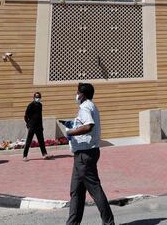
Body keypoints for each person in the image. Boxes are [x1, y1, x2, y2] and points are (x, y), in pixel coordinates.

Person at [64, 83, 115, 225]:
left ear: (83, 94)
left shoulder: (85, 106)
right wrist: (73, 125)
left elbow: (88, 125)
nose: (76, 94)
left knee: (95, 189)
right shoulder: (91, 106)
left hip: (85, 155)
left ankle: (109, 222)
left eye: (77, 92)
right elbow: (85, 125)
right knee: (76, 192)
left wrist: (70, 132)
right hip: (82, 154)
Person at [23, 92, 51, 161]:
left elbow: (40, 116)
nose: (37, 98)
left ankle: (44, 154)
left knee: (41, 141)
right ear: (34, 98)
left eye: (39, 97)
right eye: (36, 97)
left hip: (39, 126)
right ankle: (25, 156)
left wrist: (41, 126)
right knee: (28, 141)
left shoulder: (40, 105)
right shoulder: (31, 105)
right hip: (32, 126)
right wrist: (28, 124)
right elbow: (26, 116)